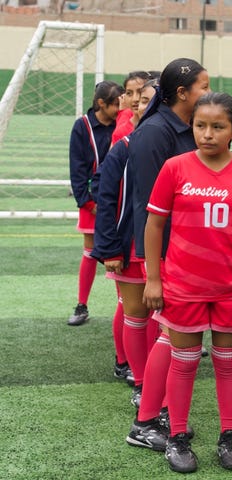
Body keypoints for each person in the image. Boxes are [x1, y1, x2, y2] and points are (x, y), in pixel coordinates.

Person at [144, 92, 232, 473]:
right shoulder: (175, 168)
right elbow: (155, 224)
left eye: (217, 127)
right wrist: (154, 279)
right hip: (182, 286)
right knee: (184, 361)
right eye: (200, 125)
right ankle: (176, 437)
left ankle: (228, 436)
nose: (207, 134)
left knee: (227, 363)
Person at [124, 58, 210, 453]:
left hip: (188, 253)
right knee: (169, 336)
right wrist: (153, 267)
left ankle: (157, 414)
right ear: (182, 93)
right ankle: (145, 421)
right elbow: (148, 206)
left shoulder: (189, 129)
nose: (208, 93)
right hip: (166, 254)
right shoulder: (154, 133)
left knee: (171, 338)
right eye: (203, 86)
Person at [92, 76, 161, 409]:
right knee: (136, 313)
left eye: (150, 99)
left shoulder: (182, 147)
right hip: (131, 246)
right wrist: (109, 248)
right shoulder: (125, 145)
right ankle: (141, 380)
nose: (143, 105)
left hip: (168, 249)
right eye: (140, 100)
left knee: (161, 320)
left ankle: (157, 381)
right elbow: (105, 197)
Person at [67, 80, 122, 327]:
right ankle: (82, 305)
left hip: (119, 199)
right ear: (102, 103)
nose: (121, 107)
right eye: (116, 103)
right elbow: (77, 167)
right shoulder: (83, 126)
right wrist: (88, 203)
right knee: (90, 251)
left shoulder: (123, 123)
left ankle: (126, 306)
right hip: (93, 201)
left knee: (120, 254)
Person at [112, 71, 151, 145]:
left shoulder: (161, 125)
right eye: (129, 93)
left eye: (140, 92)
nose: (135, 99)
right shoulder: (120, 133)